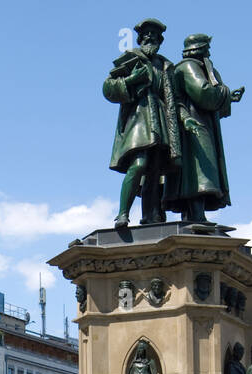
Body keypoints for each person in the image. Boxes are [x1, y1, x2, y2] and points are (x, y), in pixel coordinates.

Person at [103, 18, 181, 227]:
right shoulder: (130, 59)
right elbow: (108, 88)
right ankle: (122, 214)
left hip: (161, 119)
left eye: (154, 36)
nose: (150, 38)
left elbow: (173, 97)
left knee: (155, 171)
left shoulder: (165, 65)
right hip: (139, 118)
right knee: (139, 164)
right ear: (139, 38)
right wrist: (131, 80)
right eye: (146, 35)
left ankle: (151, 215)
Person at [166, 33, 243, 223]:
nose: (209, 52)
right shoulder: (188, 67)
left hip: (201, 123)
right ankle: (196, 214)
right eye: (206, 48)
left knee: (199, 170)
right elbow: (203, 93)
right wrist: (223, 92)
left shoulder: (200, 67)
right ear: (198, 49)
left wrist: (228, 98)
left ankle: (193, 215)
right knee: (197, 170)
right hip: (192, 125)